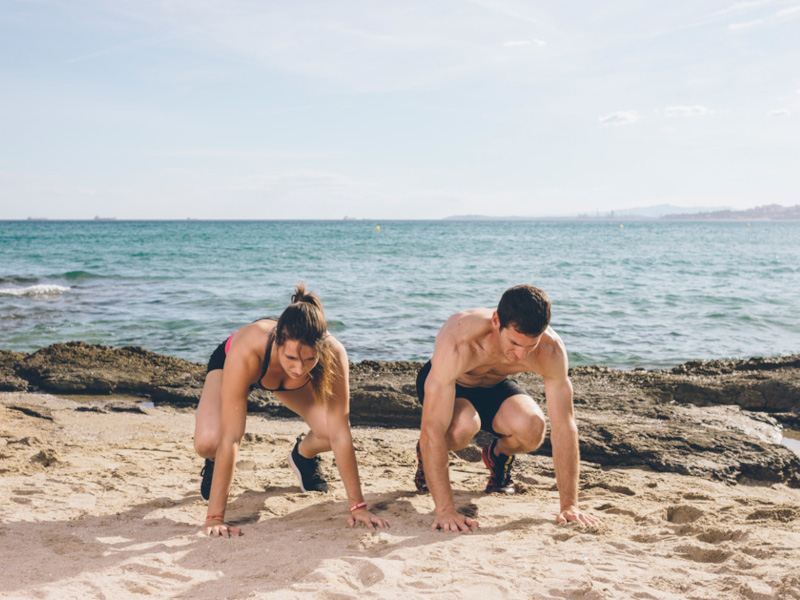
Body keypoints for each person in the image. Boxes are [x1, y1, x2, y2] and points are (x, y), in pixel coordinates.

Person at [193, 285, 389, 537]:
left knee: (329, 432)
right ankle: (213, 462)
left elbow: (342, 433)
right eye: (291, 358)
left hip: (283, 383)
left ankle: (303, 457)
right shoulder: (249, 348)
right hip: (240, 363)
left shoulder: (333, 353)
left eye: (309, 359)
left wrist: (358, 507)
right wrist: (214, 518)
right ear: (277, 341)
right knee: (210, 442)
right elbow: (233, 436)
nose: (299, 368)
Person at [415, 284, 601, 533]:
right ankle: (425, 455)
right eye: (514, 343)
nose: (521, 355)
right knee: (461, 429)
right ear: (496, 321)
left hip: (494, 385)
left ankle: (497, 456)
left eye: (530, 346)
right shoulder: (460, 340)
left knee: (534, 428)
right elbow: (432, 427)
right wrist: (446, 511)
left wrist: (569, 505)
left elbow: (564, 426)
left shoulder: (550, 349)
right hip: (454, 385)